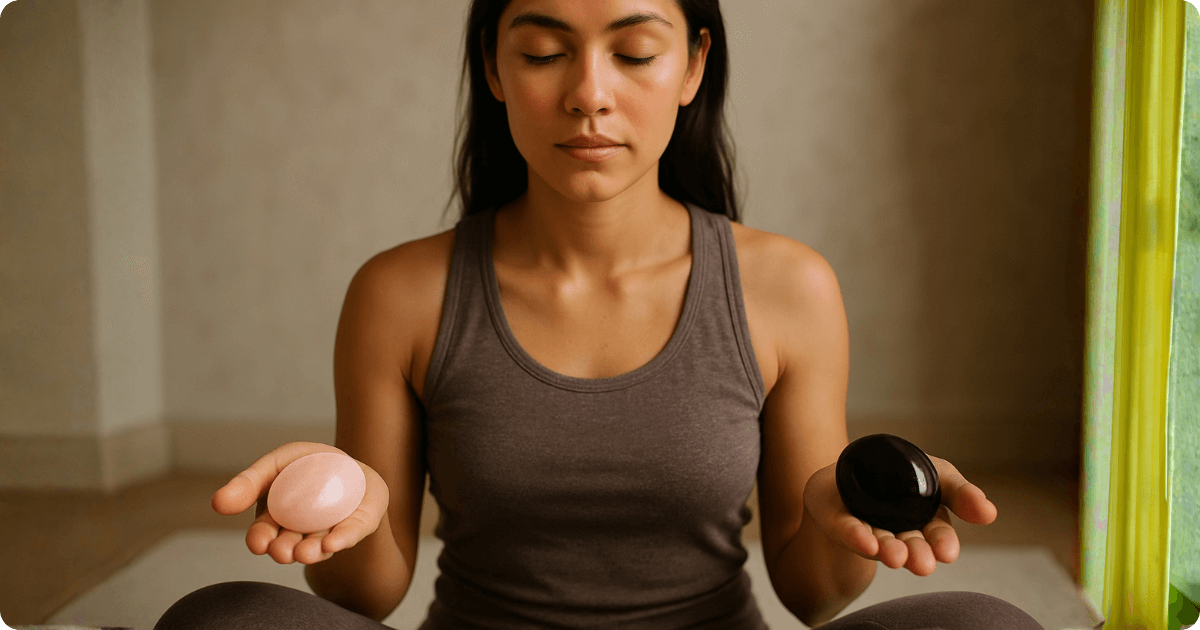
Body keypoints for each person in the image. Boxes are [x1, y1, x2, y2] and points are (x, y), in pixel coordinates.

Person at [155, 0, 1046, 628]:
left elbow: (815, 599)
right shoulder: (399, 291)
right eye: (544, 52)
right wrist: (351, 509)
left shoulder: (788, 286)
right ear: (495, 68)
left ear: (693, 64)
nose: (589, 92)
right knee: (221, 618)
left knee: (987, 625)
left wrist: (837, 515)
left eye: (635, 52)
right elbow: (364, 600)